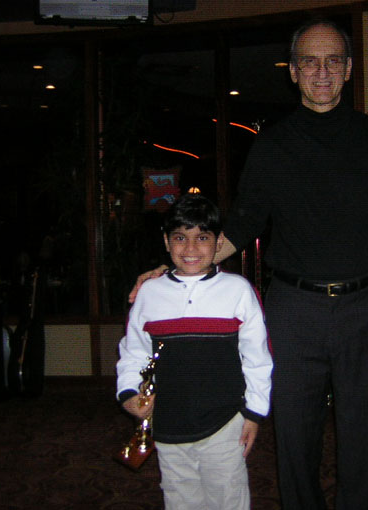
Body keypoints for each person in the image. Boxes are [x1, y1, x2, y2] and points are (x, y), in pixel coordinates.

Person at [131, 19, 368, 510]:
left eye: (333, 61)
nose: (322, 72)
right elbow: (243, 223)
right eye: (310, 61)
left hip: (366, 307)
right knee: (295, 435)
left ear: (349, 69)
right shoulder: (272, 144)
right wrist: (181, 264)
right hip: (293, 311)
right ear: (294, 72)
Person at [117, 193, 273, 510]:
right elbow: (133, 351)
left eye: (202, 238)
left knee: (227, 498)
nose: (190, 249)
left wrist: (255, 413)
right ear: (166, 241)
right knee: (180, 499)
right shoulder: (149, 293)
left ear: (219, 242)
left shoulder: (238, 291)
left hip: (224, 421)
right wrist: (128, 391)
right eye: (180, 238)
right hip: (168, 422)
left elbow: (257, 358)